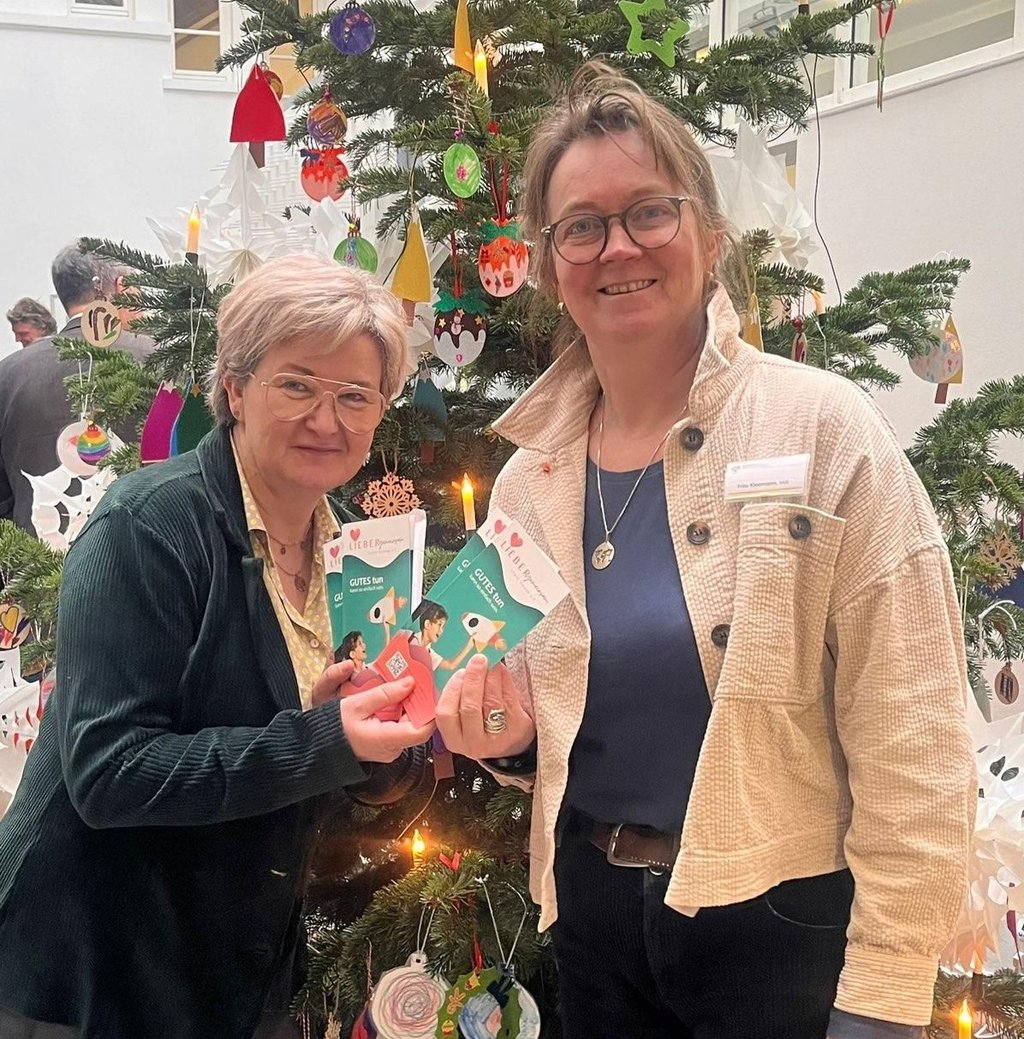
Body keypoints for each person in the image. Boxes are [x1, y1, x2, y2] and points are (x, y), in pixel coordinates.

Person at [435, 62, 975, 1039]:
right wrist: (505, 736)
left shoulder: (823, 431)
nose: (617, 246)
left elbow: (914, 733)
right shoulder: (527, 481)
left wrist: (885, 995)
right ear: (551, 265)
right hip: (594, 916)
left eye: (649, 211)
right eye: (581, 226)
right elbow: (548, 707)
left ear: (711, 238)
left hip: (779, 926)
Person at [0, 254, 435, 1039]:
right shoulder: (148, 526)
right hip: (89, 972)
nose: (327, 419)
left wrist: (385, 753)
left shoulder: (354, 554)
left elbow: (328, 767)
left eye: (356, 395)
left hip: (231, 967)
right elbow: (107, 773)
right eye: (297, 384)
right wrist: (325, 739)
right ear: (235, 388)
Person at [0, 242, 155, 535]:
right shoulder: (160, 360)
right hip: (144, 550)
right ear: (123, 287)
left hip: (36, 554)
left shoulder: (8, 374)